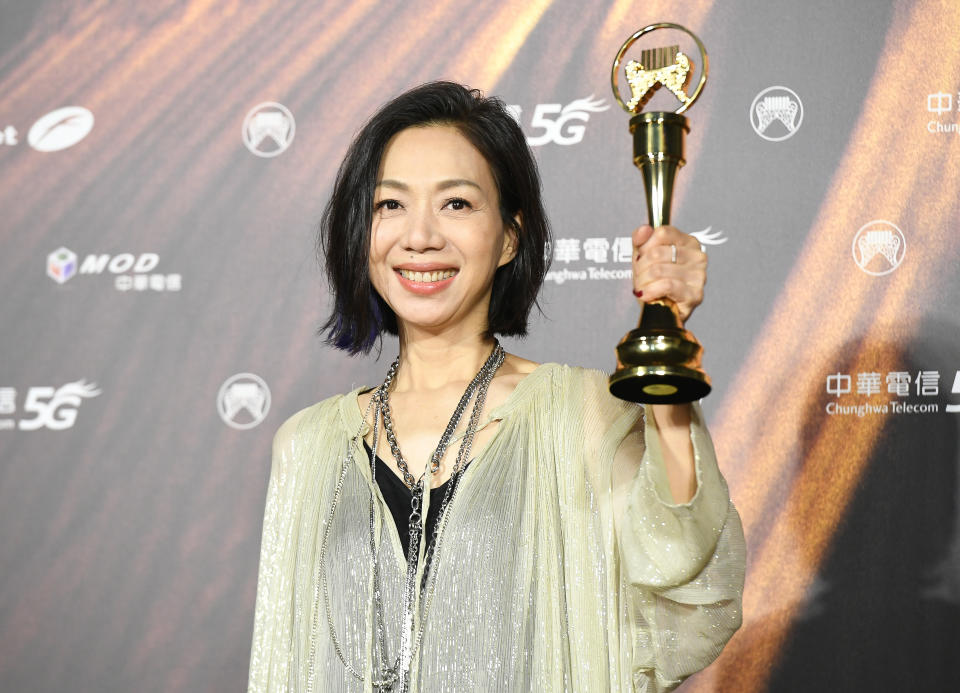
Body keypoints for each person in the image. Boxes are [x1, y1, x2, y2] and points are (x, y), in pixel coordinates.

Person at [248, 81, 745, 693]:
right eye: (390, 206)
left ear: (510, 236)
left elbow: (679, 574)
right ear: (361, 235)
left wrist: (669, 367)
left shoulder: (577, 413)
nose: (420, 236)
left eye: (456, 204)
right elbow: (286, 665)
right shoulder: (307, 445)